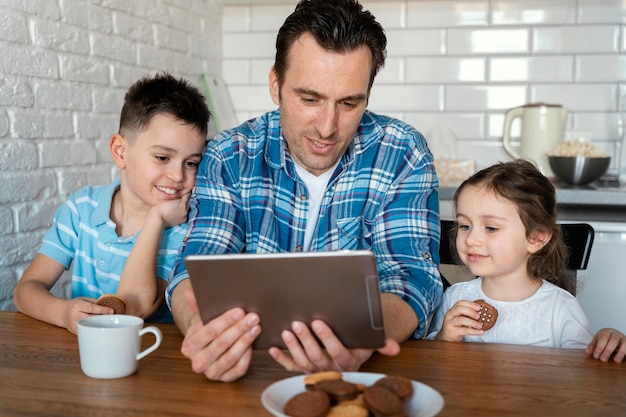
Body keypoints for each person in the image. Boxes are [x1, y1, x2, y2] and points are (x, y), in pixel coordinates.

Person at [167, 0, 443, 382]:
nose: (327, 127)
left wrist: (360, 338)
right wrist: (202, 329)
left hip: (360, 377)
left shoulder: (402, 152)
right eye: (310, 99)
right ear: (275, 84)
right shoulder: (230, 154)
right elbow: (196, 267)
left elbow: (413, 277)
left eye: (349, 103)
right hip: (249, 374)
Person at [13, 72, 211, 334]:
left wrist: (156, 220)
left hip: (154, 359)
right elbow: (25, 290)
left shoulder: (187, 226)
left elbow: (133, 306)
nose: (178, 175)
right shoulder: (82, 207)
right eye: (163, 157)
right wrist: (62, 313)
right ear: (120, 152)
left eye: (191, 163)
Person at [426, 160, 626, 362]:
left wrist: (609, 343)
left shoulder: (560, 308)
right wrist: (443, 338)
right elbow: (431, 362)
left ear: (535, 238)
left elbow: (583, 370)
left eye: (491, 228)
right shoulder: (454, 298)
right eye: (464, 226)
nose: (471, 239)